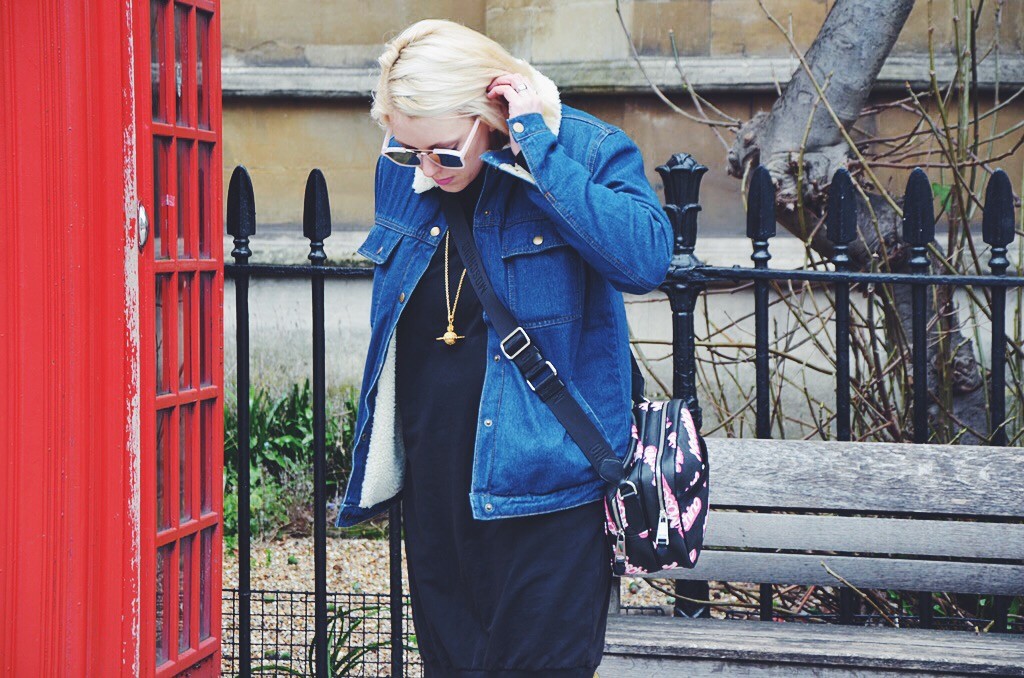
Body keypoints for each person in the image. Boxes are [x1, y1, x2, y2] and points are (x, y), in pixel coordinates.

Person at [334, 19, 674, 677]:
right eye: (407, 151)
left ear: (489, 110)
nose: (425, 168)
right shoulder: (407, 164)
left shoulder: (586, 149)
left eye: (442, 152)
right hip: (436, 487)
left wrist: (536, 151)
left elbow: (644, 261)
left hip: (549, 488)